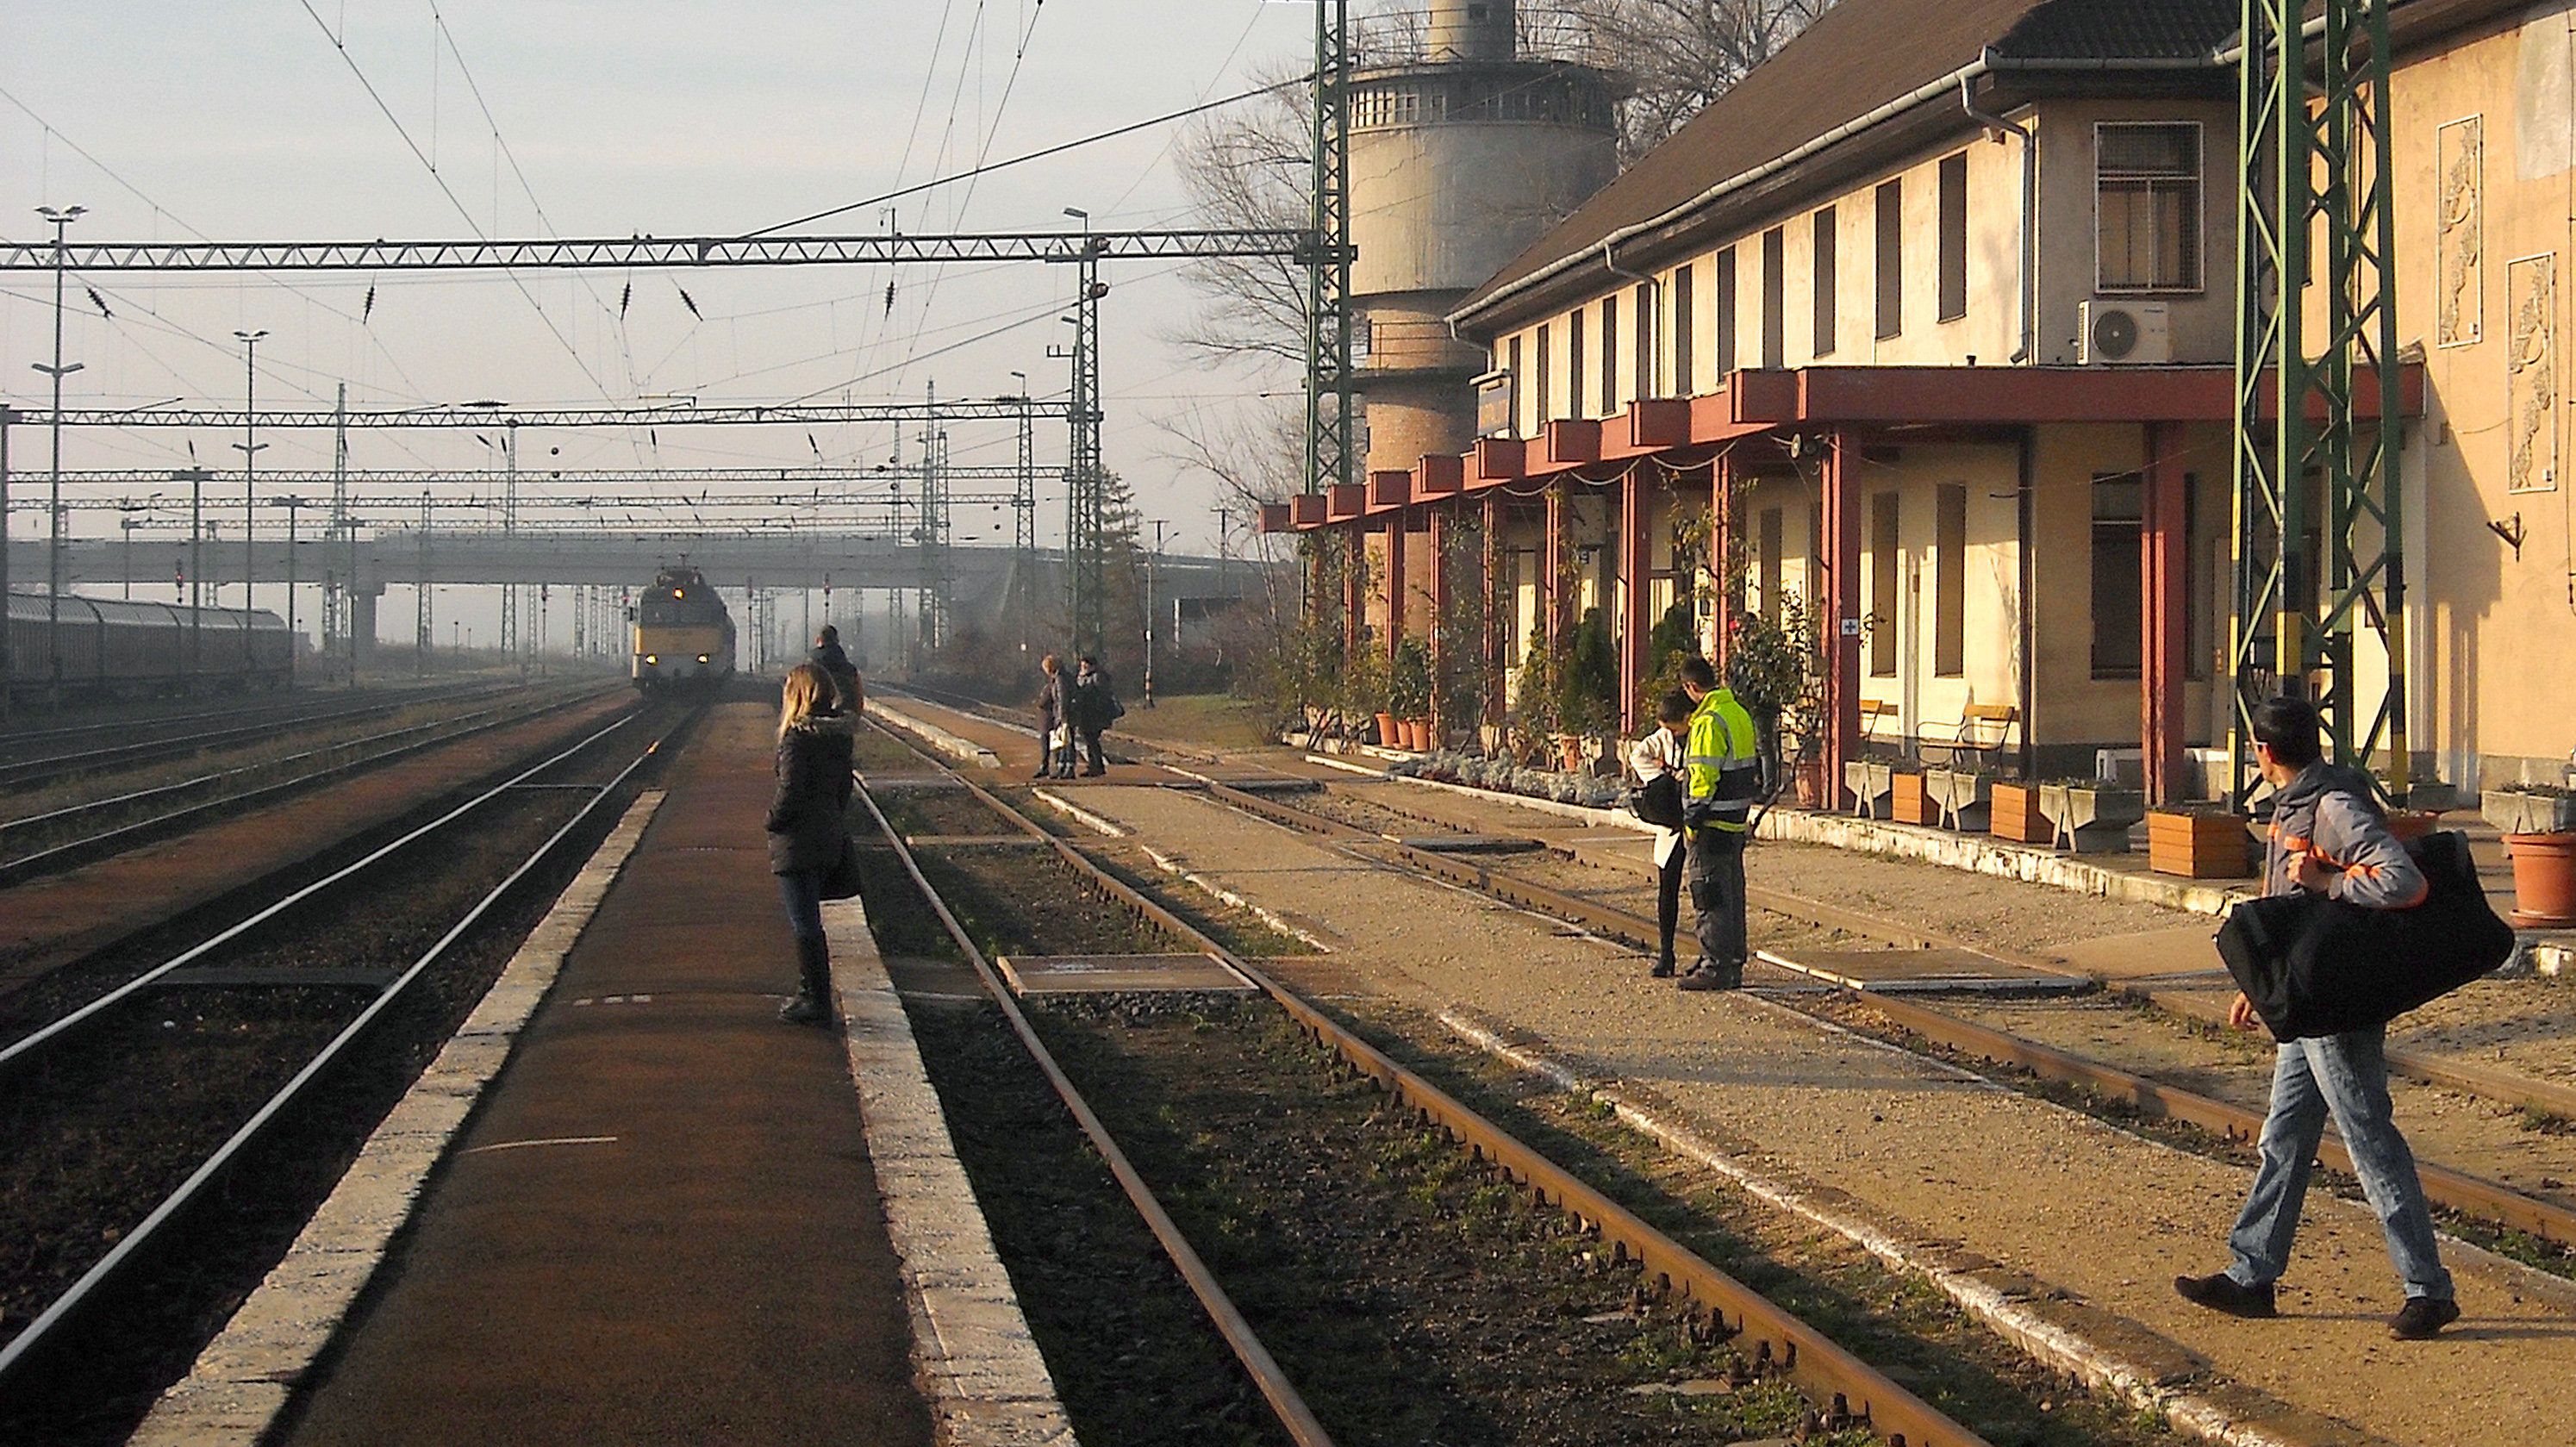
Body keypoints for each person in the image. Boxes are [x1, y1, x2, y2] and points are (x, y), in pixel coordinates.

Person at [2175, 694, 2458, 1339]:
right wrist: (2261, 980)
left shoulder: (2332, 804)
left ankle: (2427, 1288)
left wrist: (2331, 883)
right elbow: (2284, 907)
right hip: (2303, 996)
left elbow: (2403, 882)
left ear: (2262, 751)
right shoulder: (2296, 803)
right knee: (2284, 1135)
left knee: (2367, 1138)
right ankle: (2252, 1275)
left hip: (2336, 1001)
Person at [766, 662, 856, 1026]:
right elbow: (844, 789)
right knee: (810, 921)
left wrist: (772, 820)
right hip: (828, 834)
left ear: (797, 694)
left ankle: (815, 1000)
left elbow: (790, 790)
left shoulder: (797, 738)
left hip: (799, 841)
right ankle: (812, 995)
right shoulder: (838, 737)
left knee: (804, 923)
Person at [1674, 654, 1762, 992]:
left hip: (1711, 821)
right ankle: (1732, 960)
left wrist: (1693, 818)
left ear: (1691, 687)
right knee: (1732, 892)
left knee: (1708, 893)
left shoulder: (1709, 721)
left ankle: (1715, 965)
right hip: (1736, 818)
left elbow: (1703, 775)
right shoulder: (1737, 713)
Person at [1628, 689, 1696, 978]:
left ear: (1686, 719)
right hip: (1672, 823)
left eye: (1671, 727)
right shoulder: (1662, 739)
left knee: (1703, 891)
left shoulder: (1701, 733)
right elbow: (1638, 754)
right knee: (1667, 889)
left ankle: (1706, 955)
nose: (1667, 732)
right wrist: (1663, 778)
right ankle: (1666, 954)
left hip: (1698, 819)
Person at [1070, 655, 1120, 777]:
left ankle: (1096, 767)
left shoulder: (1097, 676)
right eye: (1082, 665)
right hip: (1086, 714)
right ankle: (1094, 766)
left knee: (1092, 740)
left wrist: (1088, 696)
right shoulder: (1082, 676)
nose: (1083, 667)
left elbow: (1103, 694)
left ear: (1092, 665)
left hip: (1094, 714)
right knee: (1089, 740)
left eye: (1085, 665)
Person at [809, 625, 864, 716]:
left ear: (818, 640)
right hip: (844, 714)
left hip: (814, 713)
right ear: (837, 641)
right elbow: (859, 699)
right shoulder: (850, 669)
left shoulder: (809, 664)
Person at [1033, 653, 1068, 779]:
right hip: (1051, 716)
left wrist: (1040, 702)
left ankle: (1051, 766)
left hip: (1050, 717)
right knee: (1055, 743)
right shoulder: (1056, 679)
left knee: (1053, 743)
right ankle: (1054, 766)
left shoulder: (1057, 680)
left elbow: (1057, 699)